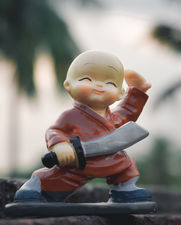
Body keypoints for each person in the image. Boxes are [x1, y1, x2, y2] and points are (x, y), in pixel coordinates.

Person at [15, 50, 152, 203]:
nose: (99, 85)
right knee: (61, 180)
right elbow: (55, 131)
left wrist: (138, 91)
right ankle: (37, 185)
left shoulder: (114, 118)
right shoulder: (71, 116)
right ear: (69, 85)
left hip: (112, 160)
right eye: (87, 79)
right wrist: (60, 145)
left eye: (110, 83)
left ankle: (124, 189)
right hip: (80, 160)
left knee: (125, 165)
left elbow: (127, 111)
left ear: (120, 93)